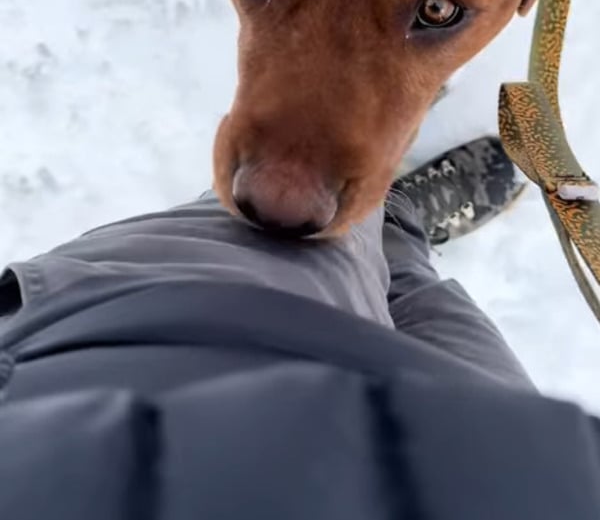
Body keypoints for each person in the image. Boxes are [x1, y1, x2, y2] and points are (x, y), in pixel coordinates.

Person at [0, 136, 598, 520]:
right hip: (510, 463)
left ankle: (374, 179)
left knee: (299, 205)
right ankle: (398, 225)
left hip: (125, 340)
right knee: (423, 300)